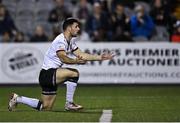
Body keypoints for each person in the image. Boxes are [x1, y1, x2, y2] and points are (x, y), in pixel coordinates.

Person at [8, 18, 114, 111]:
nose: (78, 29)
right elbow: (63, 57)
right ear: (69, 28)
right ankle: (69, 103)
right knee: (74, 73)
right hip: (48, 73)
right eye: (76, 26)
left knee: (45, 107)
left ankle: (17, 98)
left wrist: (100, 57)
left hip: (47, 76)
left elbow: (81, 54)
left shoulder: (70, 41)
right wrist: (76, 61)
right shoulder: (60, 40)